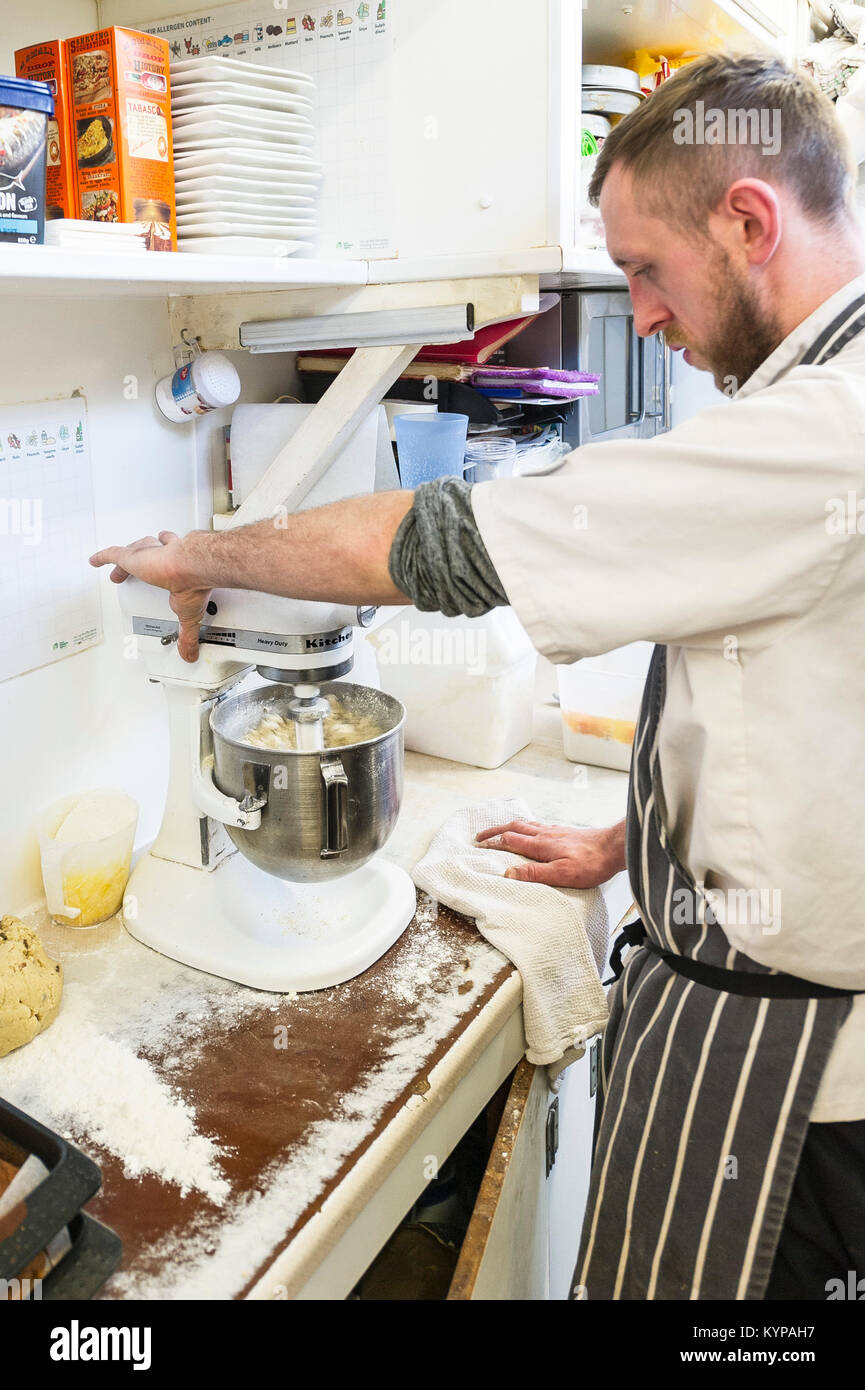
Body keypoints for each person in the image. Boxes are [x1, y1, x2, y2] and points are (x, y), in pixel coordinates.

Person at [92, 54, 865, 1300]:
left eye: (643, 271)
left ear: (750, 220)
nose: (643, 314)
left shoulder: (823, 431)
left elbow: (445, 542)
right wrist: (646, 841)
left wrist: (198, 553)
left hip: (786, 1089)